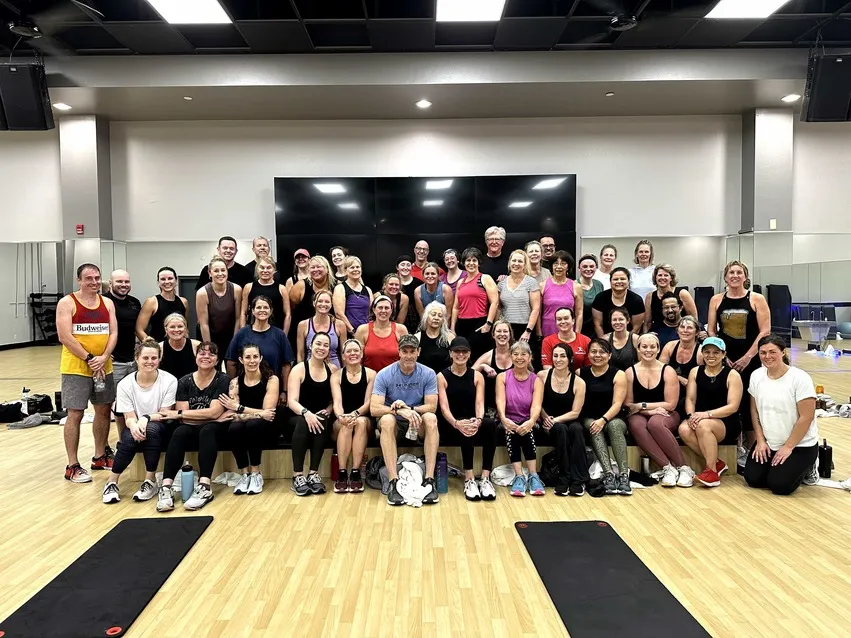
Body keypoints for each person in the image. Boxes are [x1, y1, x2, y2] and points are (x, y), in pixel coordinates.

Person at [57, 263, 118, 483]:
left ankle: (100, 456)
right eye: (89, 278)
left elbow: (113, 333)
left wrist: (104, 356)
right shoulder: (67, 303)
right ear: (79, 280)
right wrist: (90, 358)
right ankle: (72, 465)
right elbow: (65, 336)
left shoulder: (107, 303)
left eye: (97, 278)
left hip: (103, 367)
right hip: (76, 369)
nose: (94, 282)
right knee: (75, 414)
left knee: (104, 411)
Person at [155, 342, 231, 512]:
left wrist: (182, 414)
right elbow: (185, 419)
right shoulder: (184, 381)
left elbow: (213, 412)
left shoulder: (223, 379)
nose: (206, 357)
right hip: (192, 425)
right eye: (202, 353)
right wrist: (207, 416)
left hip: (216, 429)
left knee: (208, 430)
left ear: (217, 359)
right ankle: (166, 488)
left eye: (211, 354)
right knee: (179, 431)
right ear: (196, 357)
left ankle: (204, 486)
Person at [101, 339, 177, 504]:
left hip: (160, 424)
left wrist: (145, 418)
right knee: (129, 437)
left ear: (159, 359)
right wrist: (134, 425)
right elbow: (128, 417)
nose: (150, 362)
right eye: (145, 358)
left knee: (151, 430)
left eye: (154, 358)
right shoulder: (124, 384)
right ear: (137, 358)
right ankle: (112, 482)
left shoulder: (170, 380)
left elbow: (165, 413)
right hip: (136, 424)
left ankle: (150, 481)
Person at [744, 334, 819, 495]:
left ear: (783, 352)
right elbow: (754, 410)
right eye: (763, 352)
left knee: (779, 486)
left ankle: (810, 466)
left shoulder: (800, 378)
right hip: (770, 442)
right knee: (753, 479)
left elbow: (807, 417)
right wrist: (760, 441)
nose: (767, 356)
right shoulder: (756, 375)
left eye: (772, 352)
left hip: (799, 445)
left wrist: (788, 447)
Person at [370, 334, 440, 506]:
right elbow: (374, 408)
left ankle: (429, 479)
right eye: (405, 351)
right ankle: (393, 481)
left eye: (412, 351)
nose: (408, 355)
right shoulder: (384, 374)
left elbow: (432, 406)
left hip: (416, 422)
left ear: (418, 352)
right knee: (386, 420)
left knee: (431, 418)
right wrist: (400, 411)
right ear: (399, 352)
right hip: (394, 424)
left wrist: (410, 410)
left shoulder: (428, 373)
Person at [708, 260, 771, 445]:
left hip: (750, 358)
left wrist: (748, 357)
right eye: (731, 273)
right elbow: (711, 330)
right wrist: (722, 355)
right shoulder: (716, 300)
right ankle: (734, 445)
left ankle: (754, 447)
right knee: (727, 400)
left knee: (750, 404)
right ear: (725, 277)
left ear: (745, 277)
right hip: (725, 359)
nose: (735, 276)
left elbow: (765, 330)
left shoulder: (757, 299)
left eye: (739, 272)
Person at [624, 333, 690, 488]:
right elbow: (629, 404)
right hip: (640, 414)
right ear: (638, 349)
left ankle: (684, 468)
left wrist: (642, 406)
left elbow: (671, 404)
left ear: (658, 349)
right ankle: (668, 468)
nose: (648, 350)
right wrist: (648, 411)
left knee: (655, 423)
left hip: (667, 414)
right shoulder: (630, 372)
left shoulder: (668, 371)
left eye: (652, 347)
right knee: (636, 424)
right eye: (644, 347)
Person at [437, 337, 497, 501]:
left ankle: (485, 478)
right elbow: (444, 407)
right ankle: (469, 479)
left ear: (469, 354)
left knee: (490, 424)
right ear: (451, 353)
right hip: (451, 423)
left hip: (471, 420)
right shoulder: (441, 376)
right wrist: (457, 423)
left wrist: (478, 420)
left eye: (464, 351)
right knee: (465, 425)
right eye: (457, 351)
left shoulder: (477, 376)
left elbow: (479, 403)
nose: (461, 354)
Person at [679, 337, 742, 488]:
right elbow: (690, 399)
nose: (711, 355)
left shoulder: (732, 375)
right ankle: (717, 463)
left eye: (716, 352)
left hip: (727, 421)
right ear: (702, 353)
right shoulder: (695, 371)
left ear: (723, 354)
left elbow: (733, 407)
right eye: (707, 352)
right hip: (701, 418)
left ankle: (711, 472)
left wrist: (706, 414)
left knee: (704, 425)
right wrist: (690, 416)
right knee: (684, 429)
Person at [287, 332, 338, 496]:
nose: (321, 348)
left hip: (320, 417)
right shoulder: (299, 369)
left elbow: (336, 400)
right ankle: (297, 476)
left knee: (320, 419)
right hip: (297, 416)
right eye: (318, 344)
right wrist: (306, 413)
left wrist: (329, 410)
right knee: (305, 421)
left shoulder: (333, 370)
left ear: (329, 349)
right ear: (310, 345)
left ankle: (313, 474)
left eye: (326, 345)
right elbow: (292, 401)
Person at [580, 339, 631, 495]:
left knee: (614, 426)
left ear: (609, 355)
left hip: (613, 416)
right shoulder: (580, 373)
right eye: (593, 351)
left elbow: (617, 404)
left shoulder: (619, 374)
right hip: (589, 416)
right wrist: (598, 422)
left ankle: (623, 475)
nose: (597, 355)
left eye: (602, 352)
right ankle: (608, 474)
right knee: (593, 426)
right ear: (588, 354)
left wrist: (603, 420)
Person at [538, 343, 588, 496]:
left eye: (562, 356)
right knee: (561, 429)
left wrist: (555, 420)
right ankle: (564, 477)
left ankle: (578, 480)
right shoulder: (542, 376)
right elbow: (537, 404)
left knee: (576, 429)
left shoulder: (579, 382)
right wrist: (546, 418)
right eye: (555, 356)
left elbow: (575, 412)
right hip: (548, 421)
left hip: (567, 419)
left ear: (570, 359)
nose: (558, 359)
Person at [496, 341, 545, 497]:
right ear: (511, 357)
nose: (519, 357)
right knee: (512, 430)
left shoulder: (536, 380)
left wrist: (531, 421)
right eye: (516, 354)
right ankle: (519, 477)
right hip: (508, 419)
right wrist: (504, 419)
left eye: (523, 354)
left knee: (526, 430)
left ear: (530, 357)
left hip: (529, 420)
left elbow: (536, 406)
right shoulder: (502, 377)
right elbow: (500, 400)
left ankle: (533, 476)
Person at [226, 296, 294, 407]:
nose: (262, 310)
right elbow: (231, 362)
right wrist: (232, 389)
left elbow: (286, 365)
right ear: (252, 311)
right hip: (245, 390)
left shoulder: (279, 335)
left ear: (271, 311)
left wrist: (284, 391)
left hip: (271, 389)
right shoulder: (242, 333)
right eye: (258, 307)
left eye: (266, 307)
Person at [330, 339, 376, 493]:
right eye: (348, 351)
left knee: (360, 422)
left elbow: (369, 402)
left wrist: (355, 414)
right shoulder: (336, 376)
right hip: (342, 418)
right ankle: (342, 473)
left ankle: (355, 472)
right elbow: (337, 402)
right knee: (346, 424)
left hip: (363, 417)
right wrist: (341, 416)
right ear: (343, 356)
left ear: (361, 354)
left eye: (356, 350)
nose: (353, 354)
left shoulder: (371, 374)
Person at [451, 247, 499, 361]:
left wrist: (488, 323)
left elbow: (495, 302)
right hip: (462, 325)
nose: (471, 263)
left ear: (479, 263)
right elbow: (456, 308)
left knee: (478, 358)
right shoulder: (460, 282)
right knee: (462, 358)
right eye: (468, 260)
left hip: (479, 324)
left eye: (474, 260)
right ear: (464, 263)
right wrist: (452, 328)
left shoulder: (485, 278)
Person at [104, 270, 142, 413]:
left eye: (126, 281)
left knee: (129, 403)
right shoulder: (102, 301)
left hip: (132, 361)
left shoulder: (134, 302)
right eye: (119, 281)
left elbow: (138, 329)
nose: (123, 284)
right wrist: (104, 353)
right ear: (110, 283)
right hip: (113, 362)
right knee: (107, 404)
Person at [196, 256, 242, 366]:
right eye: (216, 271)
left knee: (232, 366)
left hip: (231, 335)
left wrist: (234, 342)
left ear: (227, 272)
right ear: (210, 273)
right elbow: (204, 324)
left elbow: (238, 318)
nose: (220, 273)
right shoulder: (202, 293)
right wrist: (209, 347)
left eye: (223, 270)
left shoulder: (236, 290)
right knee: (212, 366)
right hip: (210, 335)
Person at [289, 255, 336, 351]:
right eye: (312, 267)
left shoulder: (337, 286)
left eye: (319, 266)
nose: (315, 270)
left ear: (327, 269)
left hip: (330, 335)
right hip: (304, 335)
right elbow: (291, 308)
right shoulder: (300, 286)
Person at [659, 315, 703, 410]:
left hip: (692, 394)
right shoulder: (670, 346)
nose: (685, 330)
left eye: (689, 328)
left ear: (697, 332)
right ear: (677, 330)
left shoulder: (700, 352)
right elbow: (659, 370)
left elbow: (703, 380)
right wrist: (679, 378)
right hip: (669, 390)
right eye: (682, 327)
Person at [498, 249, 541, 344]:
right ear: (509, 262)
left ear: (525, 265)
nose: (516, 263)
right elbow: (498, 308)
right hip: (506, 330)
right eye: (514, 260)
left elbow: (536, 309)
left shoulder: (531, 282)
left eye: (520, 261)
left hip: (525, 328)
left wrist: (528, 331)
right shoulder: (501, 283)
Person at [356, 295, 408, 372]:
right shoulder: (362, 330)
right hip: (370, 377)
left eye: (386, 308)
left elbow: (407, 357)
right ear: (374, 309)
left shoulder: (401, 329)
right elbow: (357, 359)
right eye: (380, 308)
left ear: (391, 310)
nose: (383, 311)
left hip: (394, 376)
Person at [473, 319, 514, 418]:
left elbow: (531, 373)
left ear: (510, 334)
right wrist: (483, 366)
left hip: (514, 405)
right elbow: (469, 374)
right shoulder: (488, 356)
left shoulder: (517, 354)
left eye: (505, 331)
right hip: (493, 407)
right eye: (499, 331)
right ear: (493, 335)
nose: (502, 334)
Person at [135, 266, 188, 343]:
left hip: (179, 345)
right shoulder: (152, 302)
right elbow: (139, 329)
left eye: (170, 278)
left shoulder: (184, 302)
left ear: (176, 281)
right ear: (158, 283)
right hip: (158, 346)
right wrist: (151, 345)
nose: (167, 282)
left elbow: (185, 327)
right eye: (163, 279)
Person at [240, 257, 290, 333]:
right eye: (262, 267)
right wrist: (243, 333)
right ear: (257, 269)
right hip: (253, 331)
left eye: (269, 268)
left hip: (276, 332)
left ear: (274, 270)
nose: (265, 270)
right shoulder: (248, 287)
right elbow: (243, 313)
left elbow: (288, 314)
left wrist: (284, 334)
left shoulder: (282, 289)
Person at [539, 250, 583, 339]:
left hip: (569, 333)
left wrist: (577, 334)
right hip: (547, 331)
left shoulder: (576, 286)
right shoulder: (542, 285)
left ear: (568, 266)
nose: (559, 267)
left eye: (563, 263)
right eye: (555, 263)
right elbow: (538, 313)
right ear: (551, 266)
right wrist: (538, 333)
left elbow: (579, 313)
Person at [644, 264, 698, 334]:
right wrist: (645, 336)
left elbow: (694, 319)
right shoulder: (650, 296)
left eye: (666, 275)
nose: (662, 278)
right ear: (655, 278)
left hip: (681, 332)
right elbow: (647, 323)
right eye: (660, 275)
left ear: (671, 278)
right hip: (658, 333)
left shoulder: (682, 294)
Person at [592, 267, 645, 336]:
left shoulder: (636, 300)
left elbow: (636, 328)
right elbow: (597, 325)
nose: (619, 281)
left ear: (628, 281)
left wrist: (627, 341)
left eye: (622, 279)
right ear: (610, 281)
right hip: (604, 338)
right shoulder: (600, 298)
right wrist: (603, 341)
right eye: (615, 279)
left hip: (629, 338)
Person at [298, 289, 345, 368]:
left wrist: (344, 373)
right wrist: (302, 370)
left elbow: (343, 353)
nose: (323, 304)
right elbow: (300, 354)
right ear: (314, 303)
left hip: (334, 369)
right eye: (320, 301)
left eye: (327, 302)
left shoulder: (340, 325)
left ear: (331, 304)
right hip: (310, 368)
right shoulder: (303, 325)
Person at [332, 255, 373, 336]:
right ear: (346, 271)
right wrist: (353, 331)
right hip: (349, 334)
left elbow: (372, 313)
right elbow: (339, 314)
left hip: (366, 333)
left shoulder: (368, 290)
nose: (355, 269)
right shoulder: (340, 288)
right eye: (352, 267)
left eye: (357, 267)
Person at [541, 307, 590, 371]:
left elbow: (588, 366)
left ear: (573, 321)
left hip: (580, 375)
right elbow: (547, 366)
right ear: (556, 322)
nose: (563, 322)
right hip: (555, 375)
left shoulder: (586, 341)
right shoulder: (548, 341)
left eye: (566, 318)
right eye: (559, 319)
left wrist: (574, 376)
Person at [414, 301, 455, 373]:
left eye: (440, 316)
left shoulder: (450, 337)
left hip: (445, 377)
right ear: (426, 317)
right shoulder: (417, 337)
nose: (436, 318)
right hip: (424, 377)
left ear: (443, 320)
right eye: (433, 314)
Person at [158, 313, 200, 380]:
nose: (176, 330)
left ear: (185, 328)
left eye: (180, 326)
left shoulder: (196, 345)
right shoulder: (159, 348)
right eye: (172, 327)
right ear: (166, 329)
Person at [577, 254, 604, 337]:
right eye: (585, 266)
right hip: (580, 328)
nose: (588, 269)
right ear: (579, 268)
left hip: (596, 328)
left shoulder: (599, 284)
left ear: (596, 268)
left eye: (591, 266)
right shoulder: (574, 285)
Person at [395, 255, 421, 334]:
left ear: (412, 267)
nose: (405, 267)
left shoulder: (419, 283)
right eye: (402, 265)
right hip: (396, 320)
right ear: (397, 267)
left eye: (408, 265)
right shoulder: (393, 283)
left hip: (415, 322)